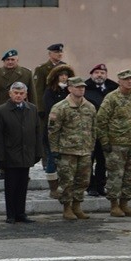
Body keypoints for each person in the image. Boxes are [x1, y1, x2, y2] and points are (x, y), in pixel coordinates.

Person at [0, 82, 43, 223]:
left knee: (22, 186)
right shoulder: (0, 111)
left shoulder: (32, 109)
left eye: (21, 93)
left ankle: (21, 212)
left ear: (26, 95)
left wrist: (38, 152)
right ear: (10, 94)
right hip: (10, 155)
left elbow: (38, 132)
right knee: (11, 186)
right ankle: (11, 214)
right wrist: (0, 157)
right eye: (16, 93)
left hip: (26, 154)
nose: (18, 96)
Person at [47, 76, 96, 220]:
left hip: (85, 150)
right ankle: (67, 207)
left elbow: (94, 128)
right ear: (70, 88)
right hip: (66, 151)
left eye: (83, 87)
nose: (81, 89)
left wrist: (91, 145)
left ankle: (77, 205)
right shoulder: (60, 107)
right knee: (67, 181)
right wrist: (54, 150)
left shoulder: (90, 107)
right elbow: (53, 131)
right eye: (78, 87)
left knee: (83, 180)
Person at [95, 69, 131, 217]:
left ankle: (125, 204)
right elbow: (101, 121)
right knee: (116, 175)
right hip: (116, 145)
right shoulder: (111, 98)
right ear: (119, 81)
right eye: (126, 79)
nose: (129, 81)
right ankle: (114, 205)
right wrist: (105, 141)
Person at [0, 49, 34, 179]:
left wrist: (34, 112)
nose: (10, 62)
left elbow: (32, 96)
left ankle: (24, 168)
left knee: (22, 141)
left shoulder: (26, 73)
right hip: (1, 113)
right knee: (0, 142)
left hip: (22, 112)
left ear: (17, 60)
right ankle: (0, 168)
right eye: (7, 60)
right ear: (3, 61)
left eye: (13, 60)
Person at [41, 64, 75, 198]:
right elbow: (51, 109)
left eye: (66, 75)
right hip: (53, 130)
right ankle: (53, 188)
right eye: (61, 75)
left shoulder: (70, 91)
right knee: (52, 159)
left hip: (69, 131)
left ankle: (66, 187)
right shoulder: (50, 91)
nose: (64, 77)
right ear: (56, 77)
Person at [84, 64, 118, 196]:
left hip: (106, 131)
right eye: (97, 72)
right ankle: (91, 186)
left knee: (103, 160)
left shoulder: (112, 88)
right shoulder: (85, 88)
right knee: (89, 160)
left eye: (102, 73)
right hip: (90, 131)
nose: (99, 75)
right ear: (92, 74)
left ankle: (100, 185)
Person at [32, 43, 66, 112]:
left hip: (63, 104)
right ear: (50, 54)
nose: (59, 54)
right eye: (56, 52)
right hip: (48, 104)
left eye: (61, 52)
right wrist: (40, 109)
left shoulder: (65, 67)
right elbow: (38, 90)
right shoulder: (42, 69)